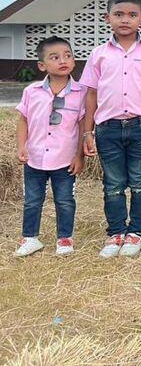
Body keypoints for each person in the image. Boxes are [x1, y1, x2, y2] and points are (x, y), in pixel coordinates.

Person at [81, 0, 141, 259]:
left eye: (132, 15)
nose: (125, 20)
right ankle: (115, 232)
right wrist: (88, 132)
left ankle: (135, 232)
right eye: (119, 14)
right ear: (107, 18)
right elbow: (91, 94)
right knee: (113, 184)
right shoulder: (99, 54)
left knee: (140, 182)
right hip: (107, 128)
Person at [14, 37, 85, 258]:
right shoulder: (32, 91)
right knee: (32, 200)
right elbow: (23, 120)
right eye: (55, 57)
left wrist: (79, 156)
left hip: (64, 160)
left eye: (67, 55)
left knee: (64, 201)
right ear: (42, 65)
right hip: (35, 158)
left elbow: (83, 126)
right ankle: (30, 238)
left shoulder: (81, 93)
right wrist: (21, 146)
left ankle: (64, 239)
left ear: (74, 61)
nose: (63, 61)